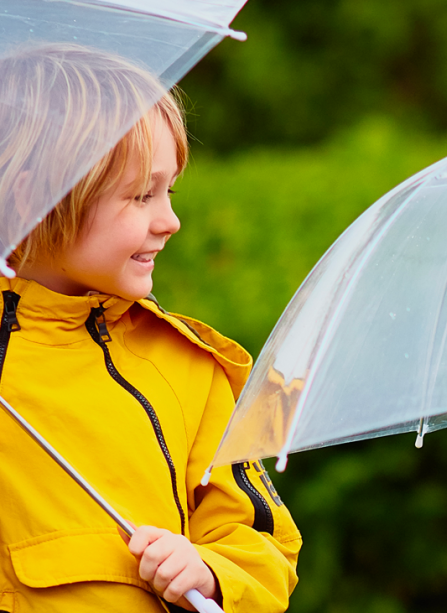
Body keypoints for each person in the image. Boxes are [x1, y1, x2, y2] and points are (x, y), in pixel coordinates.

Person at [0, 45, 300, 612]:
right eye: (140, 196)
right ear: (35, 200)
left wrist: (209, 571)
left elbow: (265, 548)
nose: (170, 220)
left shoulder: (189, 370)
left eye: (169, 191)